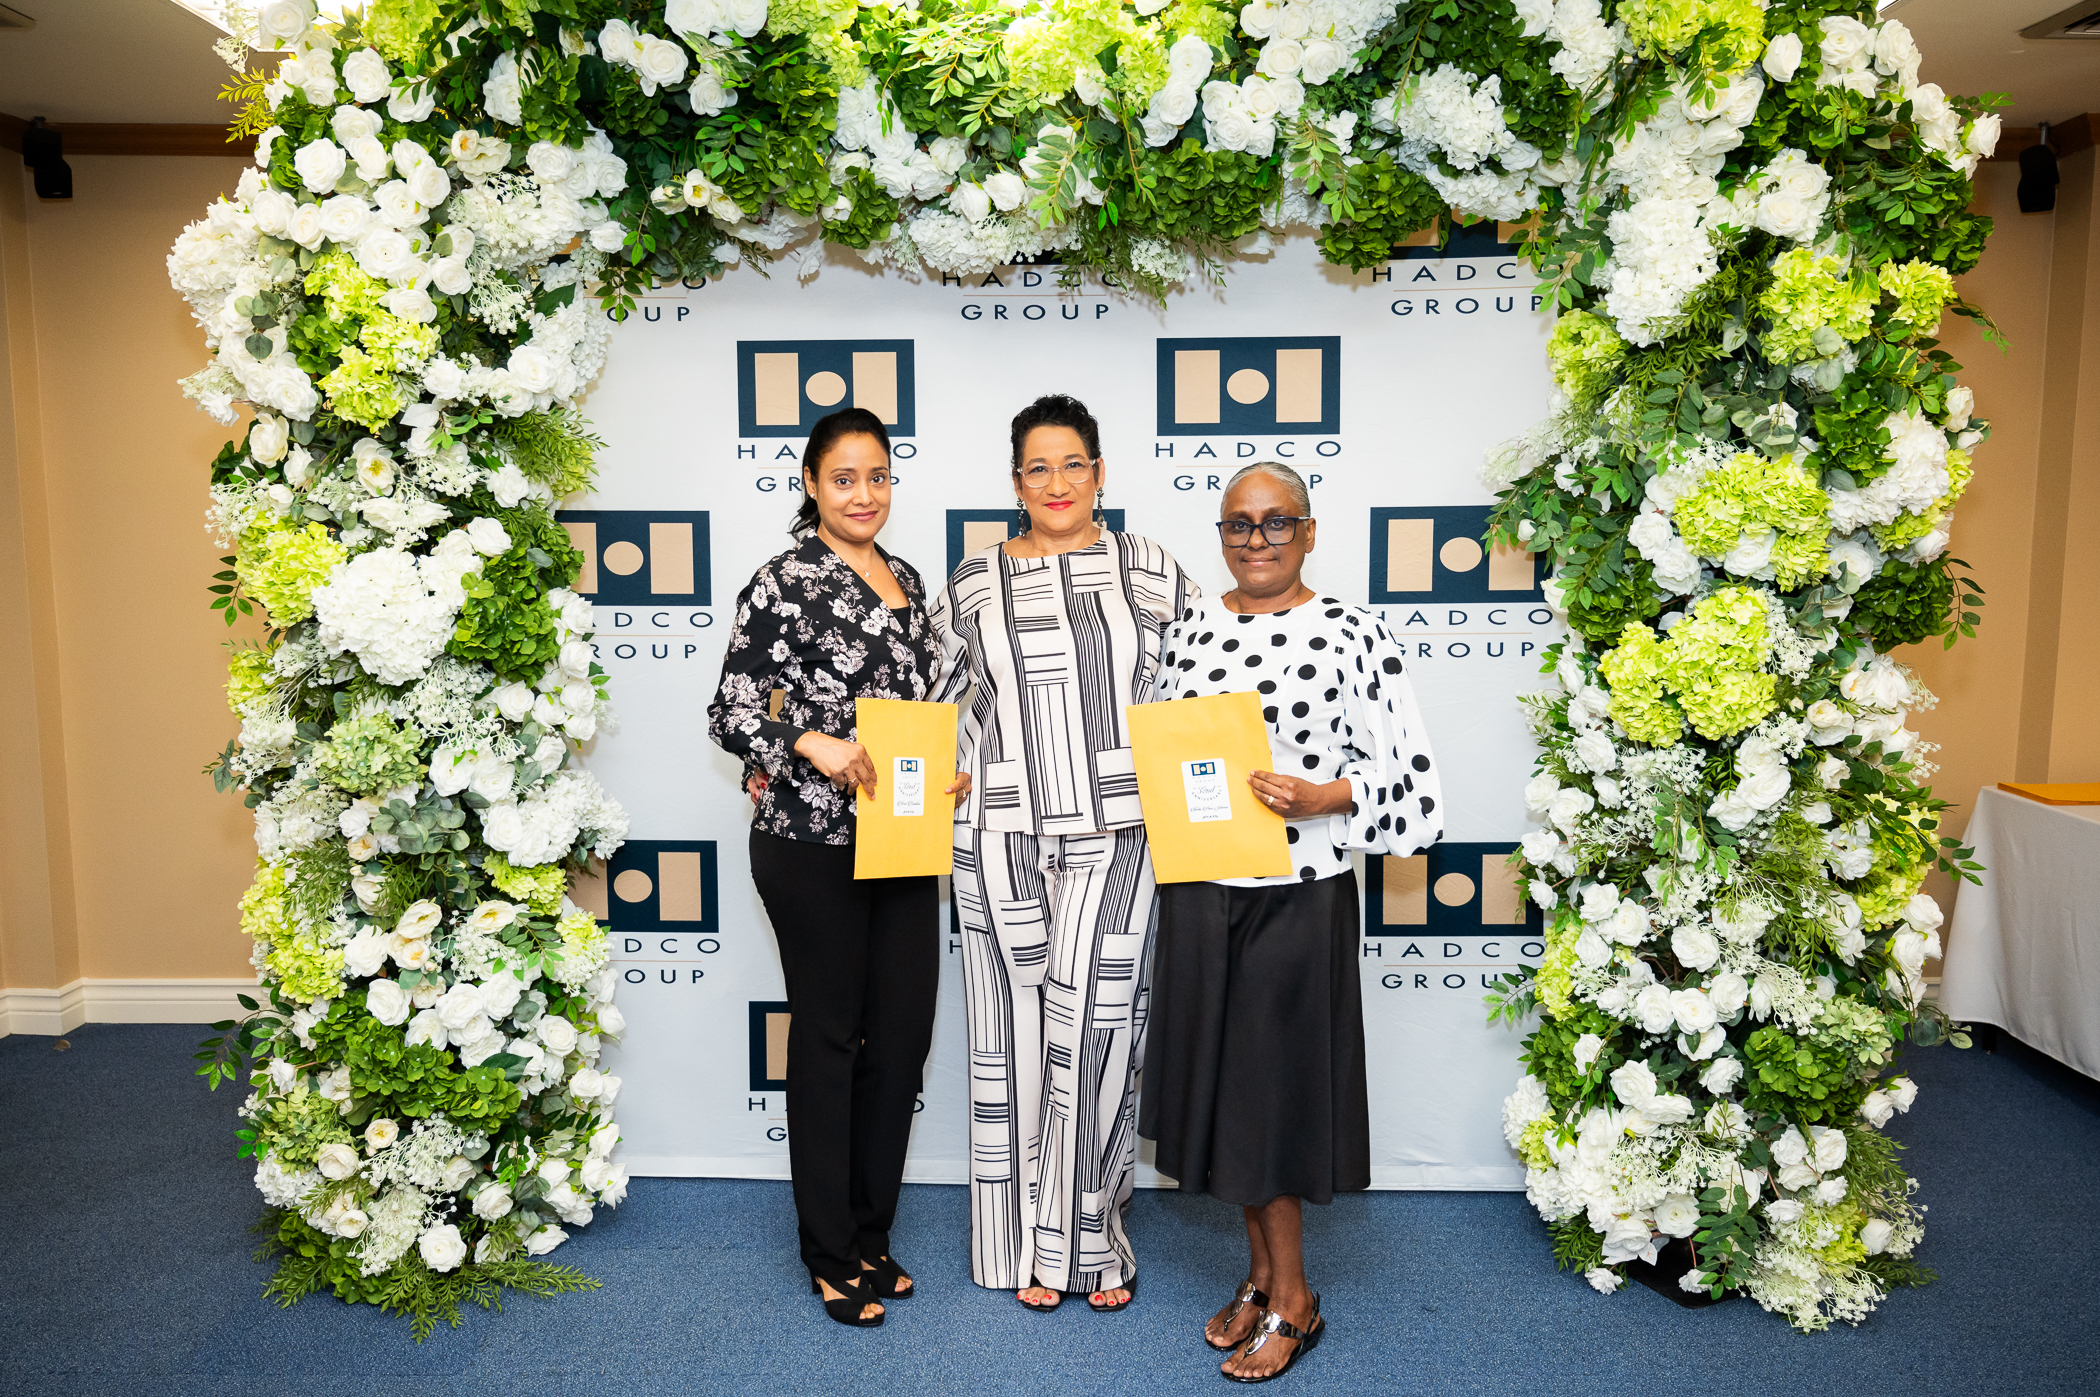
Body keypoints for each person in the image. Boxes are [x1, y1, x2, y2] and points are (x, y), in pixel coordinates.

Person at [1141, 461, 1443, 1382]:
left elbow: (1414, 787)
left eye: (1277, 522)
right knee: (1228, 1096)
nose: (1257, 540)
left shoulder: (1354, 632)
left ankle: (1298, 1300)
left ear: (1309, 532)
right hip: (1201, 893)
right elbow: (1170, 761)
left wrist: (1322, 796)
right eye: (1239, 524)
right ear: (1220, 536)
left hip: (1297, 894)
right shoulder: (1189, 632)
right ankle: (1262, 1275)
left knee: (1268, 1098)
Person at [930, 394, 1196, 1314]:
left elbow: (1205, 681)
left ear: (1099, 473)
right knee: (1007, 1036)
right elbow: (932, 701)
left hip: (1120, 829)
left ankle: (1085, 1241)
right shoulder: (971, 582)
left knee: (1095, 1031)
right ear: (1016, 482)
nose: (1056, 482)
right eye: (1037, 468)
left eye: (1072, 464)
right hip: (995, 832)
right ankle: (1016, 1242)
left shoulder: (1148, 568)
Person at [707, 407, 966, 1328]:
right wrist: (805, 740)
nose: (864, 494)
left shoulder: (908, 578)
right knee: (827, 1039)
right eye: (845, 478)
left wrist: (944, 768)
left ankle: (870, 1233)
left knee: (899, 1043)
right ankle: (827, 1251)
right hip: (810, 843)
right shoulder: (783, 580)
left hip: (903, 838)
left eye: (878, 476)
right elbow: (730, 708)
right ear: (812, 484)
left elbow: (923, 705)